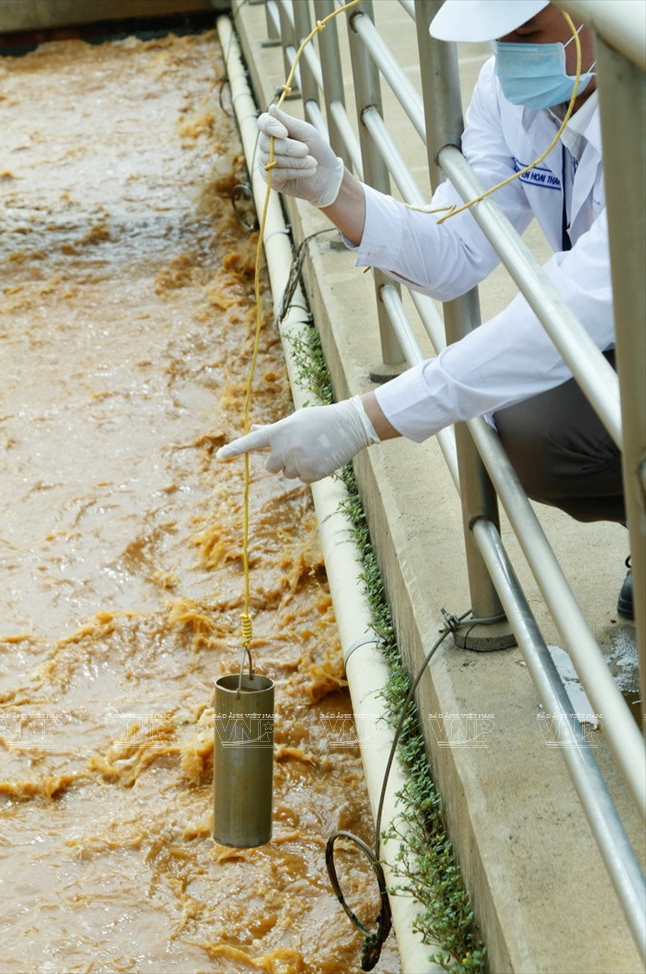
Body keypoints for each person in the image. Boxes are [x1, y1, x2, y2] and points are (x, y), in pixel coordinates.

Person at [217, 0, 633, 618]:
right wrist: (336, 190)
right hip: (626, 318)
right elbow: (459, 248)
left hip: (620, 310)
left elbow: (572, 309)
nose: (512, 53)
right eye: (496, 37)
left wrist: (365, 419)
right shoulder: (514, 90)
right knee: (532, 429)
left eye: (526, 31)